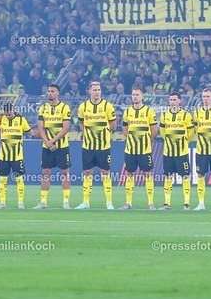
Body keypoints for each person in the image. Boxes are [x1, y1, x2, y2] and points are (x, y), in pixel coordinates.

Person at [76, 81, 117, 210]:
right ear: (89, 91)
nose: (97, 92)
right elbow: (81, 123)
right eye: (94, 90)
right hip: (88, 146)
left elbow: (113, 124)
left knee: (105, 172)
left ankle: (109, 202)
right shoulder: (83, 107)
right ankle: (85, 202)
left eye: (98, 90)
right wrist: (88, 133)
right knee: (87, 172)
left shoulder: (107, 106)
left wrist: (103, 133)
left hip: (103, 146)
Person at [0, 103, 36, 209]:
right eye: (6, 113)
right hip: (3, 156)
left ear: (13, 110)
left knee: (19, 179)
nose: (7, 115)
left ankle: (20, 202)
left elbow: (31, 132)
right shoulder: (1, 120)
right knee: (2, 180)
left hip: (17, 157)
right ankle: (2, 202)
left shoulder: (21, 120)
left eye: (9, 113)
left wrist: (43, 135)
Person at [34, 84, 72, 209]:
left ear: (58, 93)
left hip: (62, 145)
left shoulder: (65, 107)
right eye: (49, 91)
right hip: (47, 146)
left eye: (53, 91)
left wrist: (52, 141)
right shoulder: (43, 108)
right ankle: (43, 202)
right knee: (45, 172)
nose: (50, 93)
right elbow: (40, 128)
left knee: (65, 172)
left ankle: (66, 202)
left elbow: (66, 128)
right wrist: (47, 142)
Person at [119, 87, 158, 210]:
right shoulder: (127, 112)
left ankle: (151, 203)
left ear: (142, 96)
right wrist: (132, 140)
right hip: (130, 150)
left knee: (147, 174)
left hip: (144, 150)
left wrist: (147, 141)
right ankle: (128, 203)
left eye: (137, 94)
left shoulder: (149, 112)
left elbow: (154, 130)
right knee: (129, 173)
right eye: (133, 94)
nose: (135, 97)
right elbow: (125, 130)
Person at [159, 91, 194, 210]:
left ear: (180, 101)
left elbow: (190, 132)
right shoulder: (164, 115)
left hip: (182, 153)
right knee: (168, 176)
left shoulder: (186, 115)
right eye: (171, 100)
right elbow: (162, 132)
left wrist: (184, 142)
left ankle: (186, 203)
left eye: (175, 100)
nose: (173, 102)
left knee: (185, 176)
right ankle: (167, 203)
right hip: (168, 152)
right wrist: (169, 141)